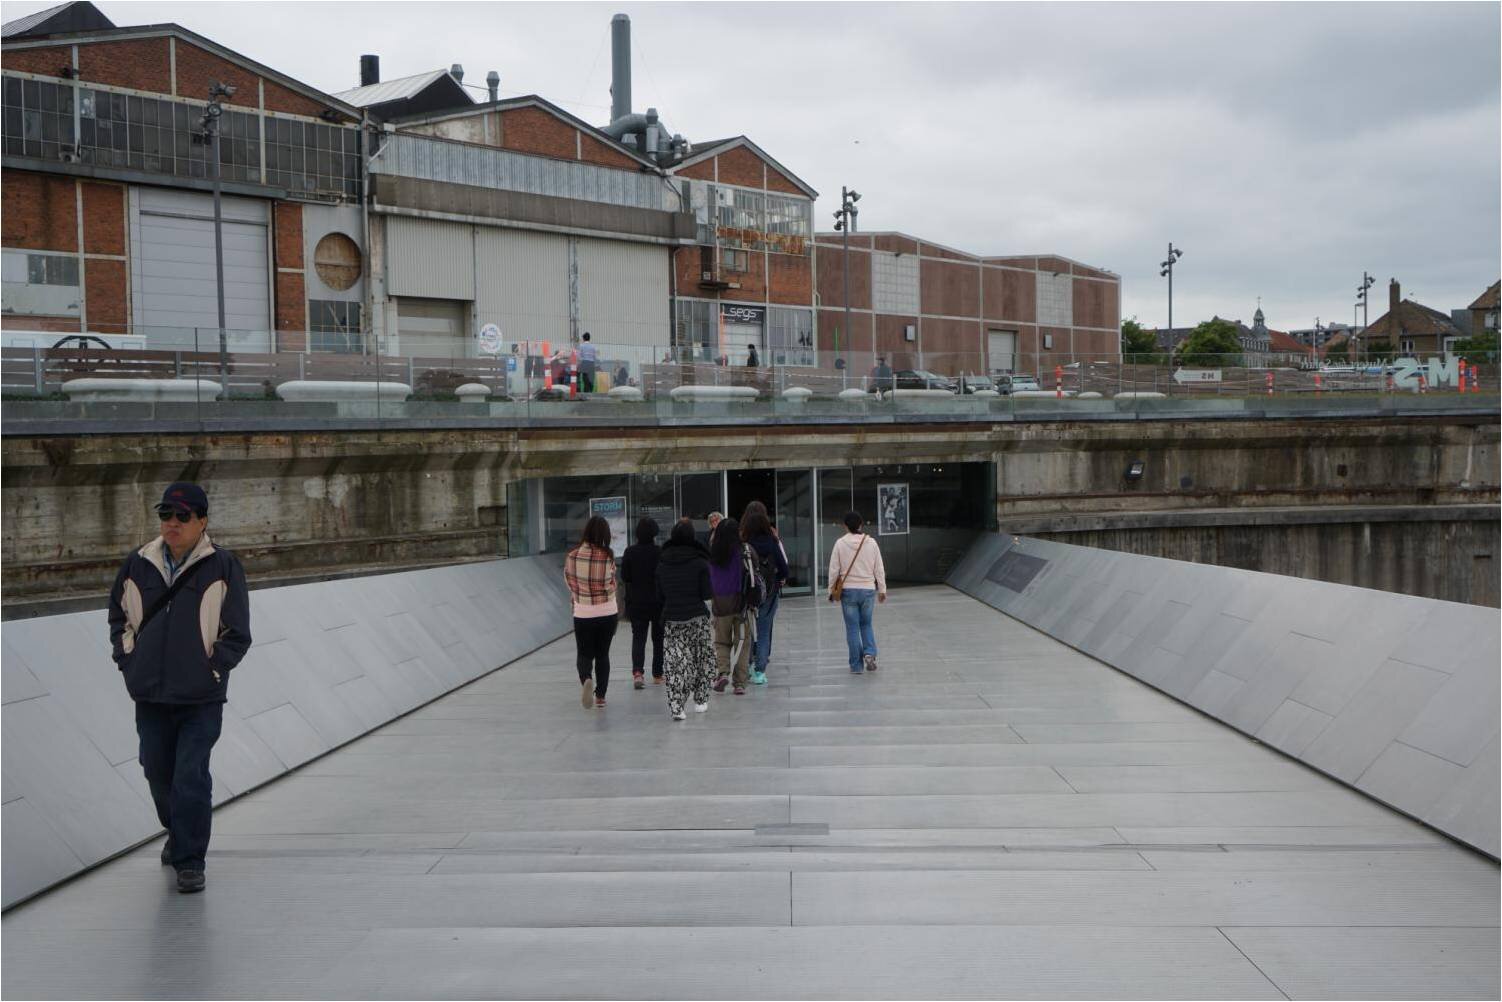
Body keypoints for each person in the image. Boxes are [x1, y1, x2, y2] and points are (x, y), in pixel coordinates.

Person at [106, 482, 252, 894]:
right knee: (156, 771)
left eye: (182, 515)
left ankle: (190, 860)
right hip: (150, 694)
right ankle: (177, 830)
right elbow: (118, 616)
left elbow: (237, 633)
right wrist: (129, 660)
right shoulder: (138, 564)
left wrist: (213, 670)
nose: (172, 522)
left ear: (202, 521)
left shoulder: (222, 566)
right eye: (166, 513)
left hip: (200, 697)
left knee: (190, 775)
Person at [655, 519, 715, 720]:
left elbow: (660, 595)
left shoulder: (662, 563)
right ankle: (700, 700)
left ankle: (677, 707)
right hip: (697, 618)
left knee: (674, 664)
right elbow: (707, 593)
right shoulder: (700, 562)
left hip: (672, 619)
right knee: (703, 660)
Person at [564, 515, 618, 708]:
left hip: (583, 612)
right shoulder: (608, 556)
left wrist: (581, 594)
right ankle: (601, 696)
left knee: (584, 653)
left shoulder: (572, 555)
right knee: (603, 654)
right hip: (607, 611)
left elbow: (569, 582)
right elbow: (611, 585)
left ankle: (586, 678)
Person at [827, 510, 887, 673]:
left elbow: (834, 569)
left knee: (852, 627)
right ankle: (869, 653)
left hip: (848, 591)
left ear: (845, 526)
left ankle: (856, 666)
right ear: (860, 525)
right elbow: (879, 568)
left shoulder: (840, 543)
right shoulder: (872, 543)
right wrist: (882, 589)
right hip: (868, 590)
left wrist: (830, 591)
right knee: (866, 624)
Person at [741, 501, 788, 686]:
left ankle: (748, 664)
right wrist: (780, 578)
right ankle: (760, 670)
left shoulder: (744, 543)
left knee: (749, 630)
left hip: (749, 592)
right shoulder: (772, 541)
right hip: (769, 591)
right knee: (764, 630)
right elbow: (784, 568)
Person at [708, 516, 753, 695]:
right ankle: (740, 683)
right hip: (741, 605)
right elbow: (755, 573)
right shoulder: (745, 551)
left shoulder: (713, 554)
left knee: (721, 642)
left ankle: (723, 673)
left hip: (720, 605)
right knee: (742, 643)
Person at [619, 517, 664, 689]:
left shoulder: (630, 552)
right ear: (655, 533)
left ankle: (638, 673)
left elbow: (625, 577)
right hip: (658, 602)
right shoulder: (659, 552)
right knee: (658, 639)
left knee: (639, 638)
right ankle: (658, 674)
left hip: (636, 601)